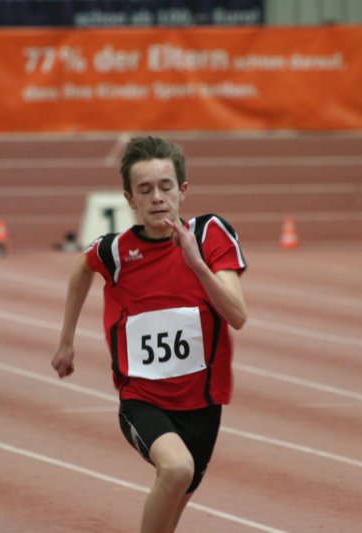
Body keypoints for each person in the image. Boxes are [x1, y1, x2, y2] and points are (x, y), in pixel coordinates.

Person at [51, 135, 247, 532]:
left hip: (203, 403)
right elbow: (80, 270)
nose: (156, 198)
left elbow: (237, 315)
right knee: (176, 469)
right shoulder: (114, 252)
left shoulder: (209, 235)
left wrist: (196, 264)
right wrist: (66, 341)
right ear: (130, 198)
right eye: (144, 190)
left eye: (165, 186)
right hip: (142, 400)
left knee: (171, 507)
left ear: (182, 190)